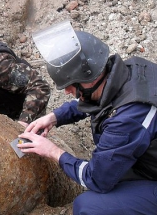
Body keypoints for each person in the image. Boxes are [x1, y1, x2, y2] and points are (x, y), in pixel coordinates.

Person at [17, 20, 157, 214]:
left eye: (71, 84)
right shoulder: (127, 72)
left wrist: (53, 152)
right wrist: (55, 117)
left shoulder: (129, 117)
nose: (67, 91)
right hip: (149, 162)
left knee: (89, 206)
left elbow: (97, 179)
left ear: (89, 78)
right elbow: (101, 101)